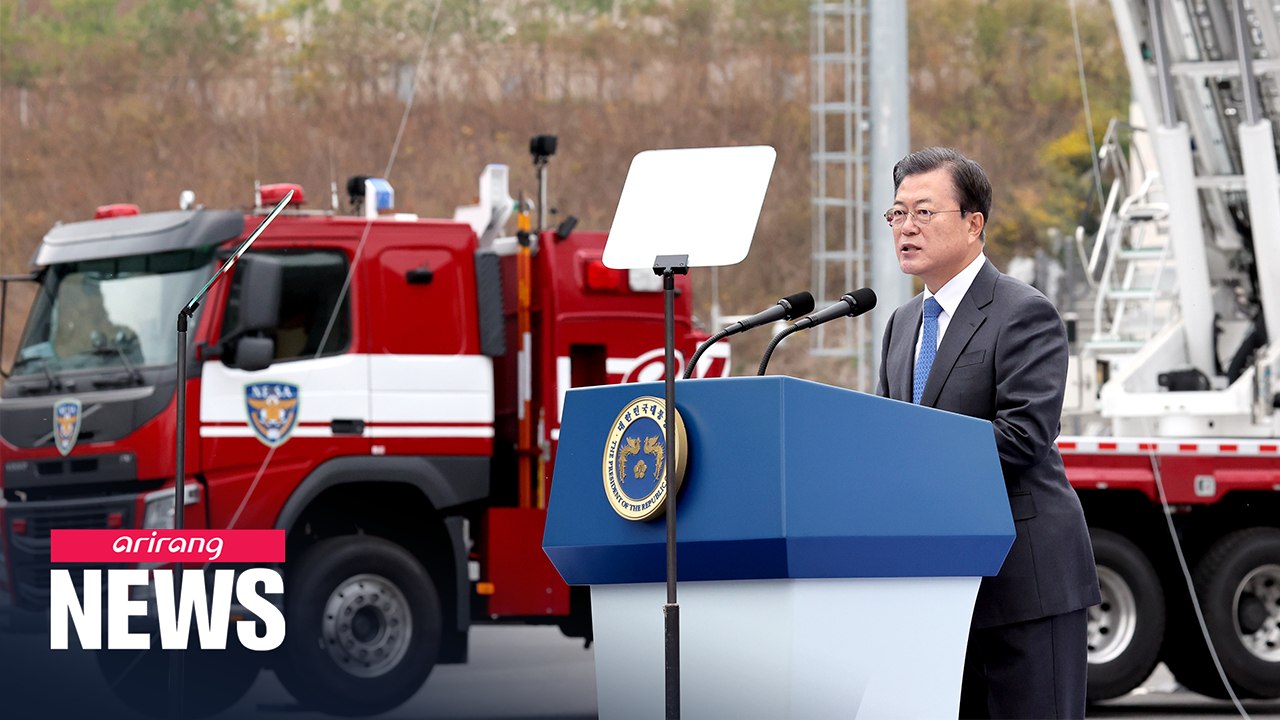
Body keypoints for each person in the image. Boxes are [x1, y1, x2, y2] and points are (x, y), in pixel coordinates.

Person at [876, 147, 1100, 719]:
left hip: (1025, 582)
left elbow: (1022, 436)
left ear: (974, 223)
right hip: (941, 587)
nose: (906, 227)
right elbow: (887, 432)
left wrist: (911, 456)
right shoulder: (902, 324)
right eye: (897, 214)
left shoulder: (1024, 312)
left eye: (925, 212)